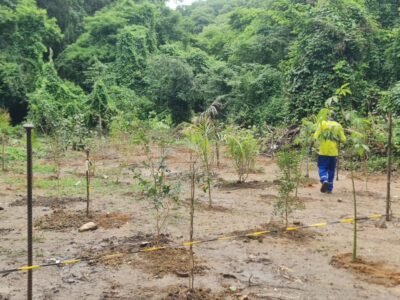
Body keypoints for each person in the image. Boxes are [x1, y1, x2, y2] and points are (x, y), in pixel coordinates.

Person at [313, 116, 346, 194]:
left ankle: (324, 180)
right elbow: (343, 139)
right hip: (333, 153)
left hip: (323, 152)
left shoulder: (322, 124)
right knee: (331, 170)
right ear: (335, 118)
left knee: (322, 167)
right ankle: (329, 189)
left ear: (327, 118)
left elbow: (315, 136)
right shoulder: (338, 125)